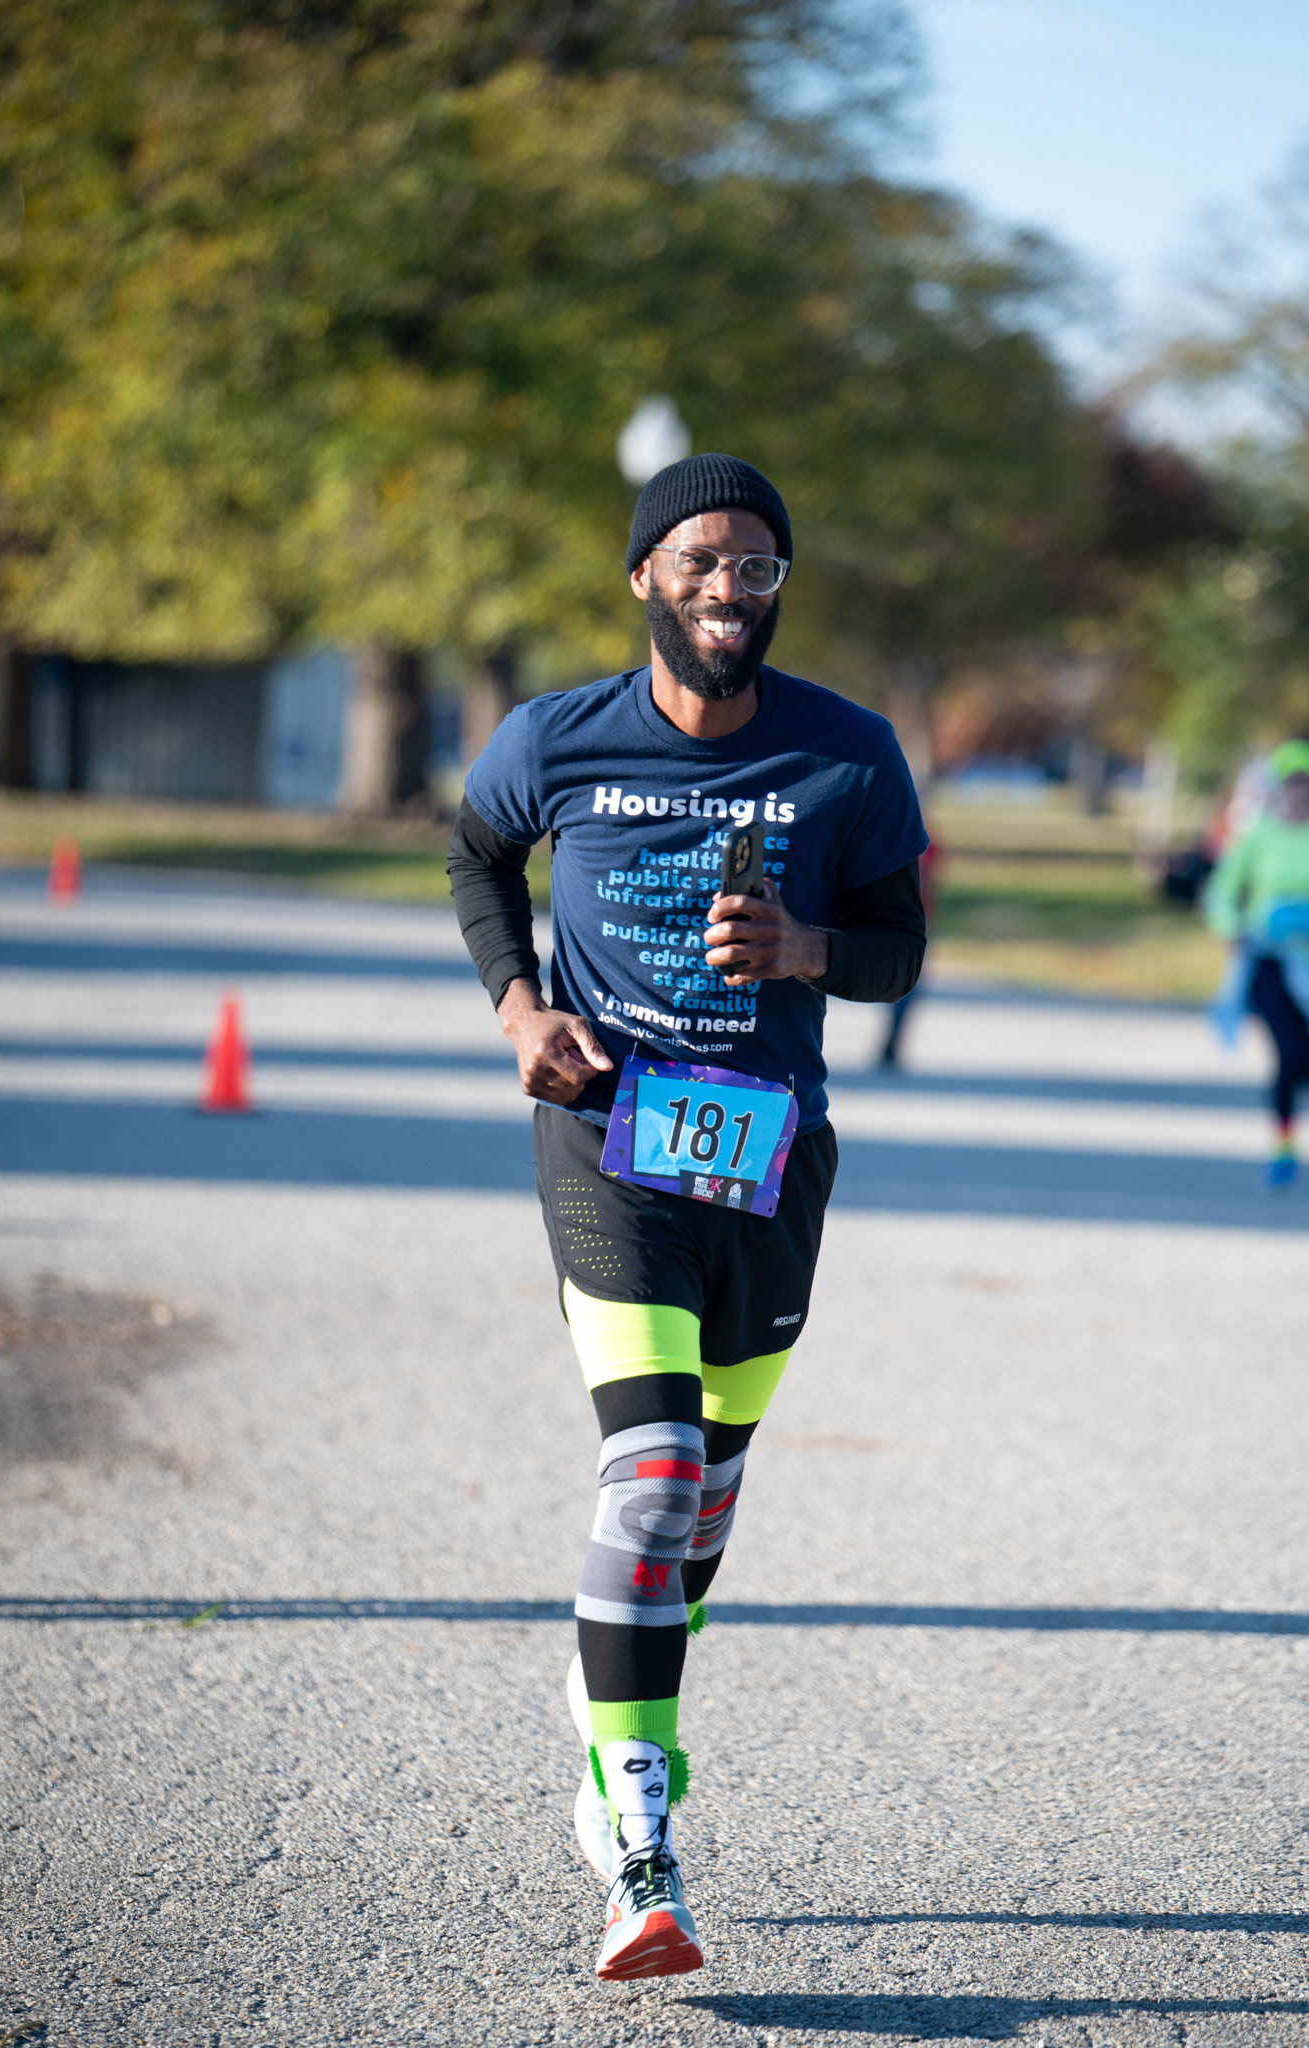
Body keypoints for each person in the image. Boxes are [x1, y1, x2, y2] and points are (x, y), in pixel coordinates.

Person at [448, 453, 927, 1981]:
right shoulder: (555, 739)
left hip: (767, 1162)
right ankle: (637, 1834)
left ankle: (617, 1677)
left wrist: (803, 946)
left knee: (695, 1511)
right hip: (605, 1139)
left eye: (758, 564)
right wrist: (518, 1006)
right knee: (648, 1474)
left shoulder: (847, 754)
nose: (731, 585)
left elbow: (897, 952)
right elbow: (474, 854)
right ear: (646, 576)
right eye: (702, 558)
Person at [1205, 739, 1309, 1185]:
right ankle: (1282, 1145)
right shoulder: (1258, 836)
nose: (1300, 792)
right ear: (1279, 788)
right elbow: (1223, 892)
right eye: (1293, 783)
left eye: (1306, 783)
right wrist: (1232, 926)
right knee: (1291, 1053)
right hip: (1267, 960)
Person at [877, 836, 938, 1066]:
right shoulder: (921, 841)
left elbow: (929, 885)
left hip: (917, 922)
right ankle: (892, 1042)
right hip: (905, 920)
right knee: (904, 984)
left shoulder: (930, 842)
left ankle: (893, 1042)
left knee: (907, 986)